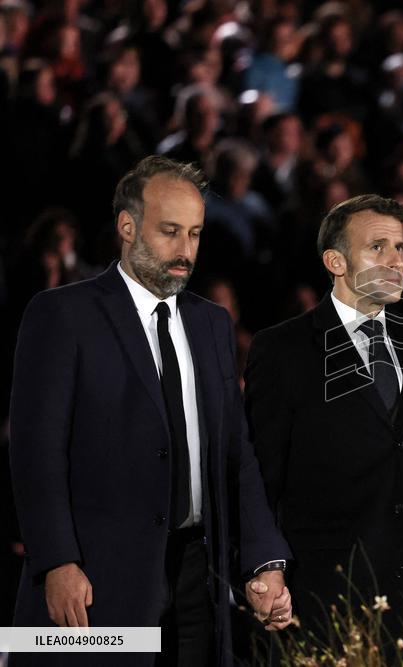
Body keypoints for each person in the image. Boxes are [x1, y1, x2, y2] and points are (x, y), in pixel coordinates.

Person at [9, 156, 293, 666]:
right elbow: (36, 454)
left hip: (196, 581)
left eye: (195, 234)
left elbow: (235, 453)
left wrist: (261, 561)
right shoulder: (61, 315)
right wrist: (57, 562)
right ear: (127, 226)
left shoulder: (211, 324)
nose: (185, 251)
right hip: (96, 580)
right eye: (169, 232)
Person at [243, 194, 403, 666]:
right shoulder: (283, 350)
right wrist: (264, 568)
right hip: (324, 596)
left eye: (399, 248)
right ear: (335, 261)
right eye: (377, 247)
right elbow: (260, 478)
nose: (396, 260)